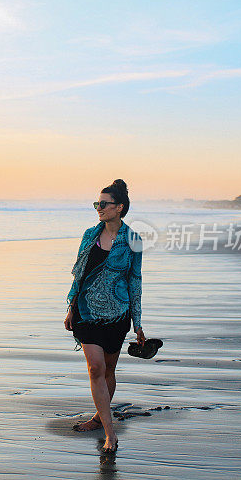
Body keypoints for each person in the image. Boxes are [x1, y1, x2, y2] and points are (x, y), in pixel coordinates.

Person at [64, 179, 145, 453]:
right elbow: (79, 272)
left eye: (104, 204)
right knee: (95, 369)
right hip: (86, 311)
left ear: (119, 208)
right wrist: (71, 306)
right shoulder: (89, 235)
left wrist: (138, 323)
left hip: (117, 315)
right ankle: (111, 433)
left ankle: (99, 418)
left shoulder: (133, 240)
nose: (99, 208)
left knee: (108, 370)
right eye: (96, 203)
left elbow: (135, 280)